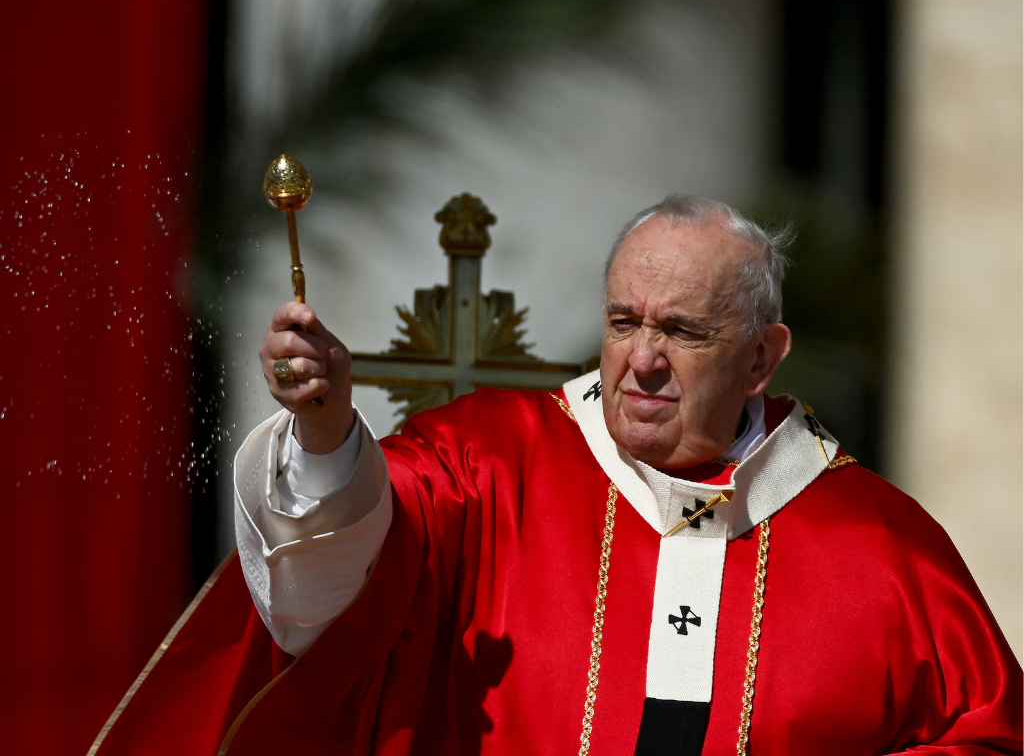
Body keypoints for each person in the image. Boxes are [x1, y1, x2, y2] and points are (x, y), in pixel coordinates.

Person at [91, 196, 1022, 756]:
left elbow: (989, 735)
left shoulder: (878, 549)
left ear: (761, 358)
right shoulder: (490, 468)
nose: (642, 361)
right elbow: (354, 560)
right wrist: (330, 428)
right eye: (624, 323)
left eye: (682, 331)